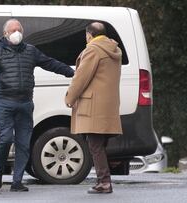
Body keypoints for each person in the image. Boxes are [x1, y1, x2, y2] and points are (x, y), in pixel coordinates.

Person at [0, 19, 74, 192]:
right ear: (5, 34)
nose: (17, 32)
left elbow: (50, 63)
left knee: (23, 143)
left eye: (19, 29)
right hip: (3, 101)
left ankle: (17, 181)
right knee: (6, 139)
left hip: (25, 102)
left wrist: (72, 73)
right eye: (13, 30)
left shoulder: (31, 51)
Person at [65, 22, 122, 194]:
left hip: (93, 104)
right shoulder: (113, 49)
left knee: (95, 145)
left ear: (89, 35)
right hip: (108, 104)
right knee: (99, 144)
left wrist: (70, 97)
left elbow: (81, 77)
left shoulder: (93, 50)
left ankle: (104, 182)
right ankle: (104, 180)